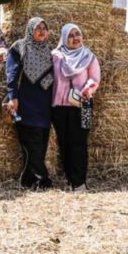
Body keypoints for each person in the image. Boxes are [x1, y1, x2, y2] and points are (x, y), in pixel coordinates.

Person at [5, 17, 54, 189]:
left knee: (41, 142)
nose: (41, 31)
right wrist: (12, 96)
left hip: (45, 103)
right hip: (25, 101)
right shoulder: (20, 47)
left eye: (44, 27)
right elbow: (11, 73)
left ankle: (29, 180)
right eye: (37, 28)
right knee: (28, 141)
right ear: (30, 30)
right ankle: (43, 179)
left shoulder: (50, 50)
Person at [51, 24, 101, 192]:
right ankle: (69, 180)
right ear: (64, 38)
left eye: (77, 34)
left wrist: (86, 90)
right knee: (64, 143)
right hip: (60, 106)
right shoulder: (56, 56)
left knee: (79, 143)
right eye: (71, 35)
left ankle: (79, 183)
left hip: (84, 105)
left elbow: (95, 78)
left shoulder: (89, 56)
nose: (75, 38)